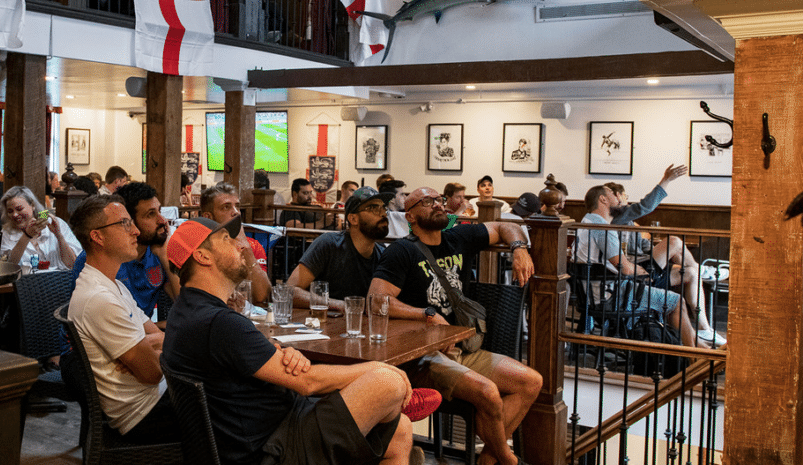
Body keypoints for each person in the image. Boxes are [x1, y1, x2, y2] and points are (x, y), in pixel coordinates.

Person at [162, 216, 416, 465]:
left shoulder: (185, 310)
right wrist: (377, 367)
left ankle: (387, 413)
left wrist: (282, 352)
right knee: (388, 382)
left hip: (273, 427)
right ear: (202, 256)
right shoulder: (218, 322)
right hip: (271, 448)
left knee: (400, 431)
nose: (241, 245)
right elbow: (309, 383)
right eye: (226, 239)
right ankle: (396, 403)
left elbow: (248, 356)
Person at [370, 187, 540, 465]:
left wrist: (519, 249)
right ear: (410, 216)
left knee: (531, 382)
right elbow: (377, 300)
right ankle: (508, 459)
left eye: (439, 200)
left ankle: (487, 461)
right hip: (423, 357)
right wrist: (424, 313)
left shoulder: (459, 237)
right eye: (427, 201)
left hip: (462, 347)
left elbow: (505, 225)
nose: (437, 204)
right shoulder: (401, 251)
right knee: (488, 393)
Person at [64, 194, 179, 442]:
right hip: (143, 414)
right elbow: (152, 373)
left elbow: (156, 336)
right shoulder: (99, 298)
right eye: (125, 224)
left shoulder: (114, 285)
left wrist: (149, 346)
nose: (136, 231)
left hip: (157, 397)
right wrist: (150, 349)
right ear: (98, 236)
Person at [574, 185, 712, 348]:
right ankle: (693, 357)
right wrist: (641, 271)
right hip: (612, 295)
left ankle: (701, 346)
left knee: (679, 282)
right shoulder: (602, 228)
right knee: (676, 302)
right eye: (612, 194)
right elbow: (625, 268)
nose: (618, 198)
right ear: (603, 199)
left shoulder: (586, 221)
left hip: (593, 294)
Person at [604, 165, 720, 344]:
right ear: (616, 197)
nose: (626, 200)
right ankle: (705, 270)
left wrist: (654, 245)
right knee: (674, 241)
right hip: (634, 275)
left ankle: (704, 328)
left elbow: (646, 248)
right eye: (624, 196)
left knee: (690, 273)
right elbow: (645, 206)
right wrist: (666, 180)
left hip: (645, 270)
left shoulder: (631, 224)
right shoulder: (614, 218)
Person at [287, 186, 392, 311]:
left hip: (360, 327)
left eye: (384, 208)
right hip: (322, 326)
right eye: (374, 208)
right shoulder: (329, 244)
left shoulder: (383, 255)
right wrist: (345, 306)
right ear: (353, 219)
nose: (383, 214)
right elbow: (290, 291)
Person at [115, 181, 180, 319]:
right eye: (150, 214)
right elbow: (116, 324)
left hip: (145, 334)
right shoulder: (106, 257)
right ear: (128, 223)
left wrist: (165, 255)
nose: (162, 220)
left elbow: (186, 305)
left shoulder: (155, 252)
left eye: (159, 211)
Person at [199, 182, 271, 304]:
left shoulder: (252, 246)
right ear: (208, 216)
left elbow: (263, 295)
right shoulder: (199, 248)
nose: (236, 212)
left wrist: (246, 248)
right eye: (226, 207)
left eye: (237, 206)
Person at [0, 186, 80, 271]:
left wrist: (59, 236)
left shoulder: (56, 223)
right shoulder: (6, 233)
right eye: (10, 211)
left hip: (61, 281)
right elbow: (9, 267)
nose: (15, 215)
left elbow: (72, 264)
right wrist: (27, 236)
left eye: (19, 209)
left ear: (33, 205)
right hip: (27, 282)